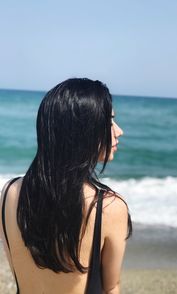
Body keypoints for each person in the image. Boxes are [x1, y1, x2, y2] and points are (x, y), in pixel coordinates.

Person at [0, 78, 132, 294]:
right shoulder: (108, 207)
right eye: (109, 122)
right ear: (84, 130)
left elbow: (19, 269)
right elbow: (111, 288)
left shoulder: (9, 192)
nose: (119, 131)